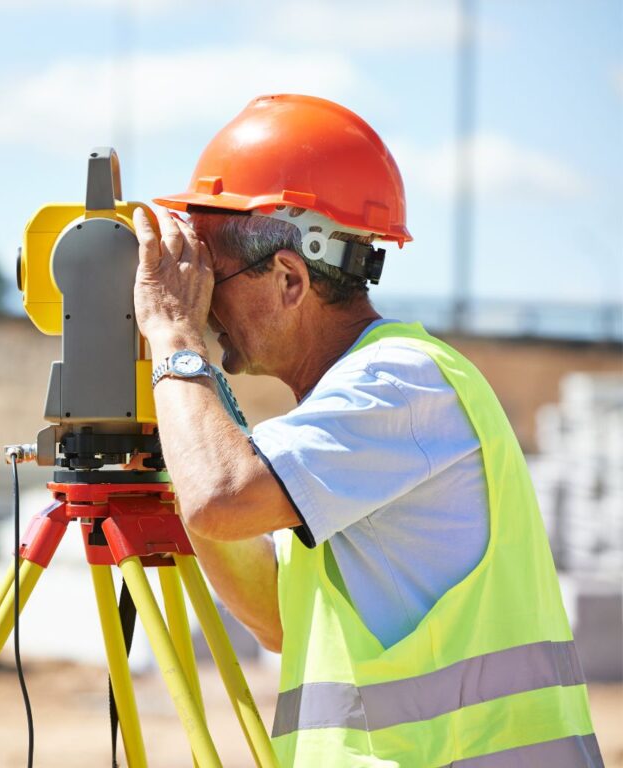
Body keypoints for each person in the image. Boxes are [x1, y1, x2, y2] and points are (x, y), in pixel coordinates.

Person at [132, 94, 601, 767]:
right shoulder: (335, 426)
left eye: (214, 276)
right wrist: (183, 423)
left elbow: (221, 496)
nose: (201, 302)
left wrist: (173, 337)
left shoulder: (401, 385)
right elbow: (275, 618)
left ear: (290, 280)